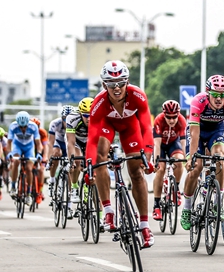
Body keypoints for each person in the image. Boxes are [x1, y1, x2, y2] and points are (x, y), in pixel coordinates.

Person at [87, 61, 156, 248]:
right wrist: (89, 165)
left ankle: (144, 226)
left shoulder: (138, 95)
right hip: (107, 126)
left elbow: (146, 127)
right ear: (104, 85)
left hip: (130, 128)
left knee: (136, 172)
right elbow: (92, 137)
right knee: (100, 157)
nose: (116, 88)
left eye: (121, 83)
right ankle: (108, 211)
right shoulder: (99, 103)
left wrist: (147, 155)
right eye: (111, 84)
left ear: (128, 82)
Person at [181, 75, 224, 232]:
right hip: (198, 131)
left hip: (217, 131)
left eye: (223, 95)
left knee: (219, 157)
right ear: (208, 93)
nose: (219, 99)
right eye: (215, 94)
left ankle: (218, 203)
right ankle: (187, 208)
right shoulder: (198, 101)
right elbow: (194, 133)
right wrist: (192, 157)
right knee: (196, 168)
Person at [152, 99, 187, 221]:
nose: (171, 120)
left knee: (179, 160)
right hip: (161, 145)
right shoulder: (159, 120)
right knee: (160, 169)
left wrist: (186, 159)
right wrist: (156, 161)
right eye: (168, 117)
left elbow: (183, 143)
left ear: (178, 114)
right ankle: (156, 205)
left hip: (173, 144)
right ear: (164, 114)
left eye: (174, 117)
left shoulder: (182, 121)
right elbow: (156, 144)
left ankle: (175, 189)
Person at [6, 111, 42, 202]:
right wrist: (9, 153)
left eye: (24, 126)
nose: (22, 129)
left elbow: (38, 143)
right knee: (16, 162)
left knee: (29, 169)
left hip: (29, 147)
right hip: (17, 146)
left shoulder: (33, 126)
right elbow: (9, 142)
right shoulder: (13, 126)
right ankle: (13, 186)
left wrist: (39, 153)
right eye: (20, 127)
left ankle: (29, 193)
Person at [65, 97, 93, 204]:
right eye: (86, 115)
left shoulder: (99, 117)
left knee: (93, 163)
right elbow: (70, 143)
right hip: (76, 140)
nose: (89, 118)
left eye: (91, 115)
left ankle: (87, 188)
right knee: (76, 161)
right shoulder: (72, 118)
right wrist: (71, 160)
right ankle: (75, 187)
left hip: (90, 141)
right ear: (80, 113)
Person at [47, 106, 74, 185]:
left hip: (69, 143)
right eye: (65, 118)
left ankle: (70, 192)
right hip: (58, 142)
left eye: (70, 118)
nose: (67, 121)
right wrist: (50, 160)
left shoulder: (75, 124)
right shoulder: (55, 123)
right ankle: (52, 180)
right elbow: (50, 143)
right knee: (56, 154)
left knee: (71, 168)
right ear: (62, 118)